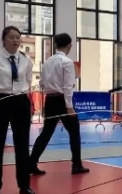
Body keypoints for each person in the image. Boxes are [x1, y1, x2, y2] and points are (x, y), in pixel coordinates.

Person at [29, 34, 90, 177]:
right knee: (74, 131)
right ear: (69, 45)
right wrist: (69, 106)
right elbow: (68, 86)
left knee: (46, 133)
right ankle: (76, 165)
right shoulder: (67, 62)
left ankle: (31, 163)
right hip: (62, 101)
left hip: (50, 100)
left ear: (56, 45)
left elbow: (42, 83)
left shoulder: (47, 62)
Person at [0, 26, 35, 194]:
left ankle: (24, 185)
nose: (15, 40)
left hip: (20, 101)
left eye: (18, 37)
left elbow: (28, 81)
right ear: (4, 39)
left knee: (22, 144)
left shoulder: (26, 59)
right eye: (11, 37)